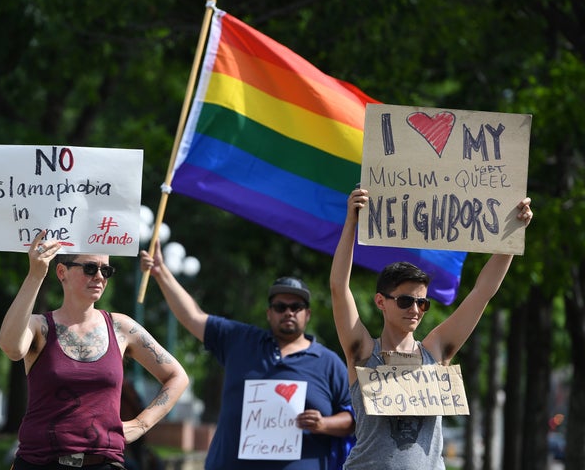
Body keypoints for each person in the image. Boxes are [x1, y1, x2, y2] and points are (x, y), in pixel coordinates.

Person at [329, 188, 533, 469]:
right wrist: (352, 221)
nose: (414, 309)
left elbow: (482, 292)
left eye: (422, 303)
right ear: (381, 302)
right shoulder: (363, 352)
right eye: (404, 301)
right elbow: (339, 289)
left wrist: (512, 233)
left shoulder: (435, 351)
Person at [140, 242, 356, 470]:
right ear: (269, 313)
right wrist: (161, 273)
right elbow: (193, 316)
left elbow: (354, 419)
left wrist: (323, 424)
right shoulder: (239, 340)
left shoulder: (329, 362)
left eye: (297, 307)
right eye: (280, 306)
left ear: (308, 314)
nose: (288, 312)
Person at [0, 231, 189, 470]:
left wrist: (141, 424)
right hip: (40, 462)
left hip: (104, 463)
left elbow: (177, 376)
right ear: (62, 272)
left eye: (106, 270)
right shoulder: (40, 326)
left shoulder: (122, 327)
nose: (99, 276)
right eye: (90, 268)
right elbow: (11, 348)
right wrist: (35, 275)